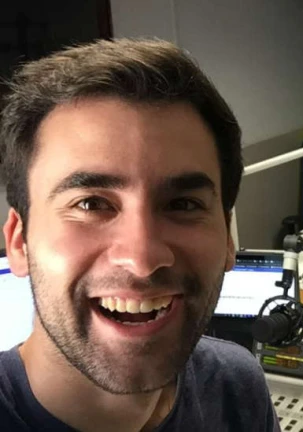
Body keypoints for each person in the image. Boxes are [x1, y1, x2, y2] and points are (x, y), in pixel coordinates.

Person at [0, 38, 280, 431]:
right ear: (19, 242)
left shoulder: (235, 387)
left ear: (228, 239)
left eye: (183, 204)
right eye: (91, 204)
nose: (142, 258)